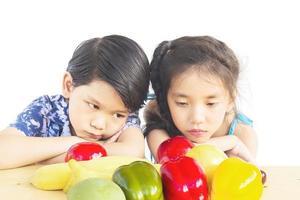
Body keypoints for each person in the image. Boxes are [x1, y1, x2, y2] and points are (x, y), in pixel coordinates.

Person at [0, 35, 150, 169]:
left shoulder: (126, 116)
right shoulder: (46, 110)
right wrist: (73, 143)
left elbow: (132, 152)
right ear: (68, 85)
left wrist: (39, 159)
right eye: (93, 106)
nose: (99, 124)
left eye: (117, 115)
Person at [144, 36, 257, 163]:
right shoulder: (159, 127)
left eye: (210, 103)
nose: (197, 118)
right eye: (182, 103)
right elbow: (176, 163)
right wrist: (230, 143)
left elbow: (234, 179)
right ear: (165, 99)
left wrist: (234, 141)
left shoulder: (243, 134)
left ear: (231, 100)